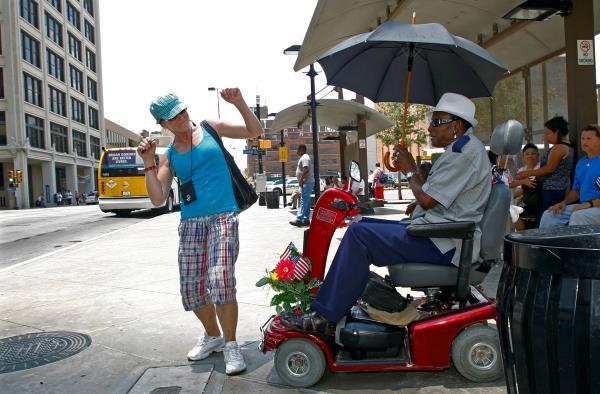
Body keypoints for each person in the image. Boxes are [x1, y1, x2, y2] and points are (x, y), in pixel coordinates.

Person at [283, 92, 491, 329]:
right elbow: (433, 198)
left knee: (359, 236)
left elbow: (428, 200)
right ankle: (339, 302)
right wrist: (419, 184)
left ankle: (325, 317)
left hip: (446, 242)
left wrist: (411, 169)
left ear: (455, 126)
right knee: (361, 226)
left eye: (436, 122)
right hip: (439, 233)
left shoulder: (463, 153)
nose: (430, 128)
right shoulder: (462, 149)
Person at [137, 89, 263, 375]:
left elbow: (254, 130)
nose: (182, 117)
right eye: (173, 116)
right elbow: (157, 198)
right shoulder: (169, 155)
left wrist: (239, 103)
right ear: (162, 123)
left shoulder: (210, 128)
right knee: (191, 290)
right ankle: (213, 335)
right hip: (191, 223)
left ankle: (231, 344)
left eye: (183, 111)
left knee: (221, 280)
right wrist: (148, 162)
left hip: (223, 216)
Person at [516, 116, 574, 226]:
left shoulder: (559, 148)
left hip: (550, 191)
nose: (546, 138)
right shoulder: (567, 147)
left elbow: (550, 168)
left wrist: (527, 173)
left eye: (548, 134)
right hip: (555, 189)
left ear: (556, 132)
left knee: (545, 220)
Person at [539, 124, 600, 227]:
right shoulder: (581, 163)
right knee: (549, 215)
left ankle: (574, 243)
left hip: (595, 206)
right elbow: (576, 191)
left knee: (577, 216)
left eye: (589, 138)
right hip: (585, 206)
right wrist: (563, 203)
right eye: (582, 138)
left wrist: (589, 204)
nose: (584, 142)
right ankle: (546, 243)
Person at [512, 144, 540, 230]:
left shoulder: (541, 168)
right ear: (523, 157)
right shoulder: (521, 171)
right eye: (527, 154)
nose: (530, 156)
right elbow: (516, 192)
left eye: (533, 153)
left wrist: (523, 189)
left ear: (538, 156)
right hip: (522, 204)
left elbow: (522, 190)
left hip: (536, 203)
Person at [289, 144, 314, 227]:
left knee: (303, 201)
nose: (296, 152)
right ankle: (306, 220)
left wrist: (301, 180)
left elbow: (306, 169)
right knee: (306, 201)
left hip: (306, 182)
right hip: (307, 182)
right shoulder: (304, 157)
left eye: (298, 150)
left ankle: (299, 219)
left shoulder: (305, 157)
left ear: (301, 149)